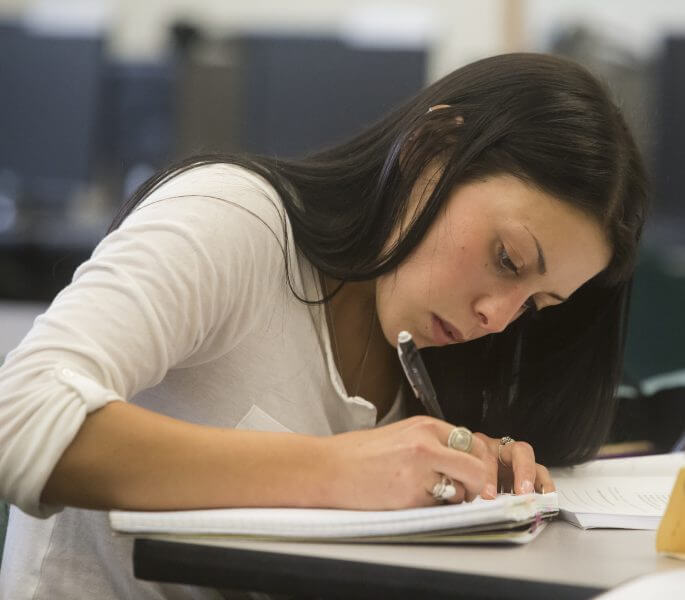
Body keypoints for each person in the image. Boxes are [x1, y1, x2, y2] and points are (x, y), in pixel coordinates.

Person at [0, 52, 648, 599]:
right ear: (431, 148)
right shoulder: (238, 221)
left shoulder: (429, 366)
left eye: (536, 305)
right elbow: (18, 415)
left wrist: (480, 493)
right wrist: (337, 470)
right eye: (505, 259)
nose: (499, 317)